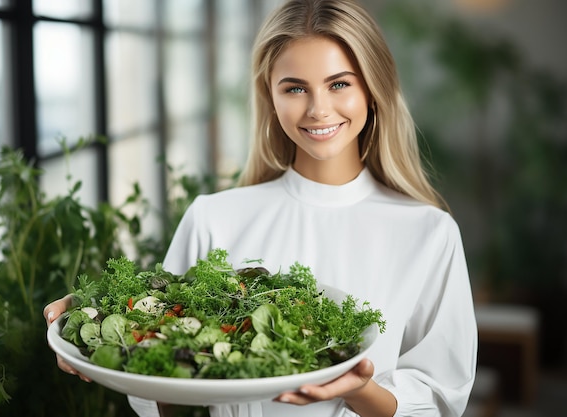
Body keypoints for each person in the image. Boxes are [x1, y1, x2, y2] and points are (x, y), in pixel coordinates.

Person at [44, 1, 477, 416]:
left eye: (339, 83)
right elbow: (158, 378)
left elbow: (439, 399)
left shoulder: (429, 232)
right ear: (270, 96)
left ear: (373, 89)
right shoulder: (213, 218)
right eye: (295, 88)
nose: (318, 109)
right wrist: (98, 316)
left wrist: (361, 390)